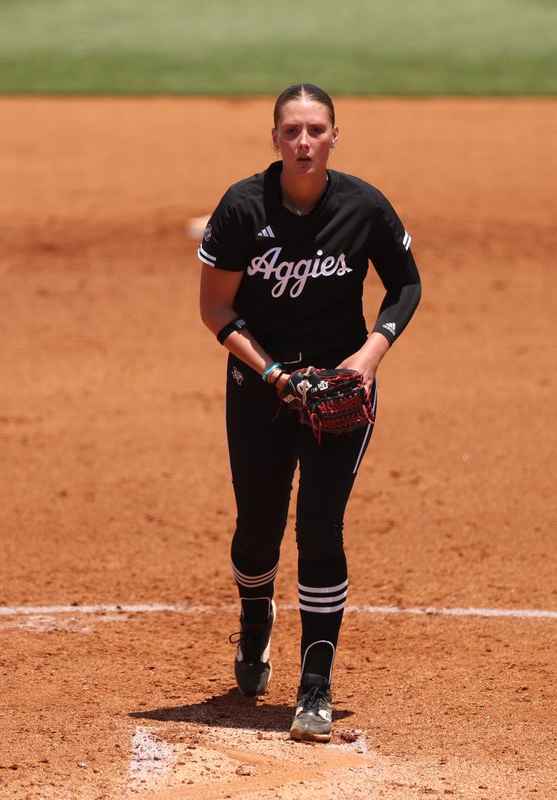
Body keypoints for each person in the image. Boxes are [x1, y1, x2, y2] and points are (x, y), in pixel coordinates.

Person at [196, 83, 422, 742]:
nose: (303, 142)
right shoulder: (242, 209)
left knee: (320, 525)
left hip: (340, 389)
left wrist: (370, 355)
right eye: (291, 130)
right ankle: (254, 617)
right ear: (275, 139)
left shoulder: (363, 206)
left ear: (333, 137)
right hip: (259, 388)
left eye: (315, 130)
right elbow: (215, 309)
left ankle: (315, 688)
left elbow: (405, 283)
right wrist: (270, 373)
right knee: (258, 530)